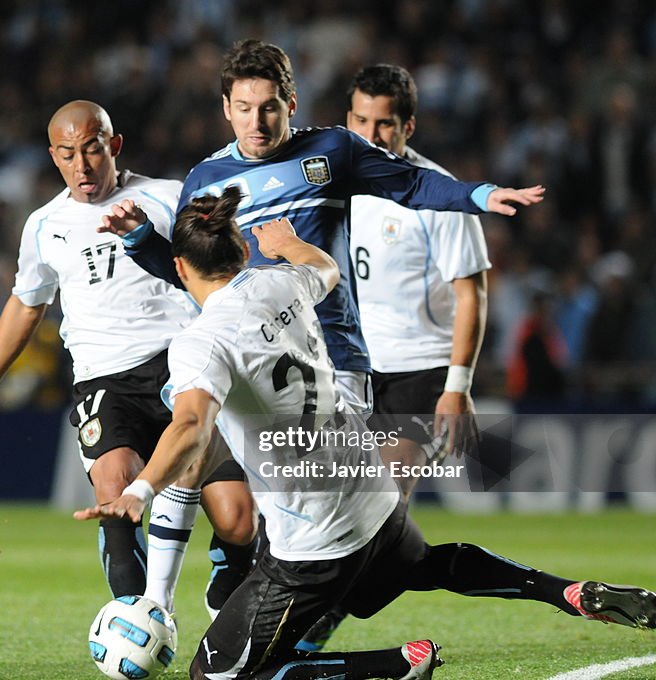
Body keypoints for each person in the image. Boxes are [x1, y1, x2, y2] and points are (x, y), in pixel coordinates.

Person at [77, 187, 656, 680]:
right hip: (372, 494)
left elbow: (190, 425)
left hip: (313, 541)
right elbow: (325, 268)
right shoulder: (281, 285)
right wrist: (289, 246)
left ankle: (392, 665)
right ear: (242, 249)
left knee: (215, 674)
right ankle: (567, 592)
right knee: (431, 565)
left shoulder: (199, 343)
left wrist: (140, 489)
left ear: (179, 269)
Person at [98, 38, 543, 620]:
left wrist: (478, 195)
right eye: (244, 108)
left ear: (291, 104)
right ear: (225, 109)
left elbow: (410, 183)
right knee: (194, 454)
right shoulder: (205, 179)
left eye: (269, 109)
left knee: (324, 513)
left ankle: (294, 613)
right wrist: (140, 242)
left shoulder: (332, 152)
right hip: (246, 359)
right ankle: (162, 603)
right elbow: (189, 271)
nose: (257, 122)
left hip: (329, 362)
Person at [0, 100, 257, 603]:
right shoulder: (44, 226)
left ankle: (233, 577)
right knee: (115, 491)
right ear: (53, 156)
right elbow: (27, 305)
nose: (82, 166)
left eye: (91, 150)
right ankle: (136, 620)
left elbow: (218, 269)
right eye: (67, 154)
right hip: (104, 380)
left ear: (114, 146)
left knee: (239, 519)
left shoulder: (167, 198)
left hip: (183, 367)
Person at [346, 64, 490, 496]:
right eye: (361, 121)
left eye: (385, 123)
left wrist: (457, 388)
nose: (371, 135)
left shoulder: (438, 194)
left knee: (385, 500)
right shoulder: (330, 186)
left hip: (417, 369)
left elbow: (472, 295)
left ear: (407, 125)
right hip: (350, 369)